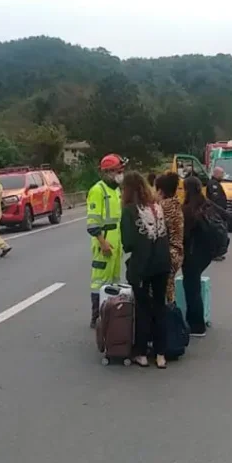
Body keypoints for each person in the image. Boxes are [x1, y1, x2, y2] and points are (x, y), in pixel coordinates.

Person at [120, 171, 171, 369]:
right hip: (162, 263)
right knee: (160, 306)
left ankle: (141, 352)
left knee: (142, 308)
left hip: (142, 266)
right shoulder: (157, 207)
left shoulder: (130, 211)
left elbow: (128, 242)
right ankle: (160, 354)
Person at [87, 154, 125, 328]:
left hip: (116, 240)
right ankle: (96, 316)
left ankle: (110, 313)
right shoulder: (98, 190)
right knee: (100, 280)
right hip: (104, 240)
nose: (121, 174)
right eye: (119, 170)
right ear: (109, 172)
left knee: (114, 279)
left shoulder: (116, 189)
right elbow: (93, 223)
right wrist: (102, 242)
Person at [182, 176, 214, 337]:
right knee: (194, 287)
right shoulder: (206, 204)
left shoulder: (188, 209)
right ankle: (196, 321)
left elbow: (185, 235)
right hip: (206, 252)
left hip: (192, 253)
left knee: (191, 288)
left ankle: (196, 325)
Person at [154, 172, 184, 304]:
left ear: (160, 190)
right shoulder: (176, 203)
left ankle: (169, 317)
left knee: (164, 290)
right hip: (177, 252)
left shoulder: (163, 207)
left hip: (168, 253)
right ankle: (171, 313)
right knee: (169, 287)